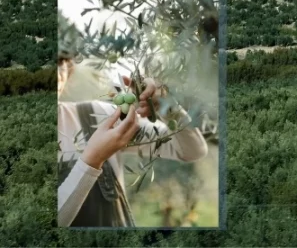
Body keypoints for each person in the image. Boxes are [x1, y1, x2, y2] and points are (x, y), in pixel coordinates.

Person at [57, 50, 209, 227]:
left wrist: (168, 107)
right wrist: (93, 160)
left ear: (68, 68)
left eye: (59, 60)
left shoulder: (96, 117)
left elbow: (192, 150)